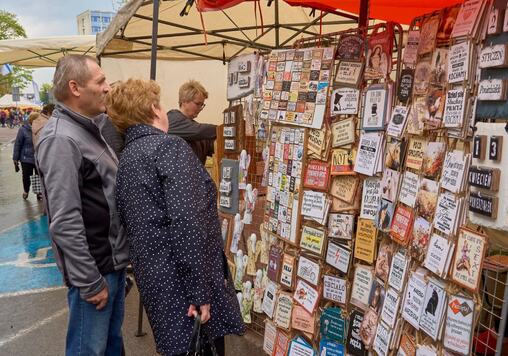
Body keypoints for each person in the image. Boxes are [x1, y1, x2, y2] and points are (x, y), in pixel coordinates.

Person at [108, 78, 245, 356]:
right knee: (201, 348)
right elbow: (188, 224)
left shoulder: (128, 156)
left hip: (158, 282)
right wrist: (200, 293)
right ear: (152, 109)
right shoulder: (168, 148)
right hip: (184, 287)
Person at [35, 55, 129, 356]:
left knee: (111, 346)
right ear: (75, 88)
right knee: (89, 350)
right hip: (96, 273)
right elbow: (64, 220)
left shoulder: (89, 128)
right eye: (100, 81)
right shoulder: (61, 139)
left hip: (109, 266)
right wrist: (89, 281)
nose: (107, 87)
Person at [167, 80, 217, 165]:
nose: (200, 108)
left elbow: (212, 146)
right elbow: (199, 131)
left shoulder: (195, 129)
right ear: (184, 101)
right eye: (198, 104)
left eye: (202, 105)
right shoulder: (171, 119)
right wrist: (225, 129)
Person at [13, 112, 38, 200]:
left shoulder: (40, 128)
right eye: (35, 120)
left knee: (38, 176)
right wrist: (15, 158)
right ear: (31, 120)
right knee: (26, 176)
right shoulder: (23, 129)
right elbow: (18, 144)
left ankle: (38, 192)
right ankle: (26, 190)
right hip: (26, 158)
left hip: (38, 157)